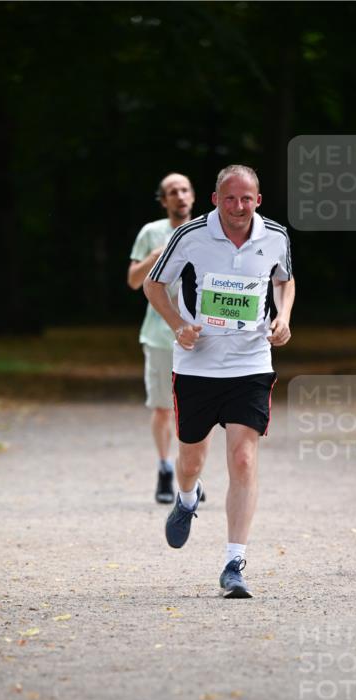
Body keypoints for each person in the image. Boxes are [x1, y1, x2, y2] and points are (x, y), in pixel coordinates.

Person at [143, 164, 295, 598]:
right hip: (197, 365)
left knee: (244, 459)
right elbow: (155, 287)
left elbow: (285, 281)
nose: (238, 206)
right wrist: (177, 325)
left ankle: (234, 563)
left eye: (246, 198)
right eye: (230, 198)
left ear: (258, 201)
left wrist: (283, 318)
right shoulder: (190, 236)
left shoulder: (276, 237)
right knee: (189, 461)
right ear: (215, 199)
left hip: (251, 362)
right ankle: (187, 497)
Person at [128, 173, 196, 504]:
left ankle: (191, 473)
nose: (180, 196)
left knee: (196, 408)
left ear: (194, 196)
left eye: (184, 190)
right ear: (164, 200)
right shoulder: (150, 233)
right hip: (158, 335)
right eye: (173, 192)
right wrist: (154, 258)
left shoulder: (207, 232)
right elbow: (132, 280)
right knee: (163, 408)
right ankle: (165, 467)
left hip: (199, 334)